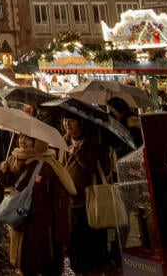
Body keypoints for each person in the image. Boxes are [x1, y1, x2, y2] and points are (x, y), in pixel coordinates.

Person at [0, 134, 76, 276]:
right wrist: (3, 171)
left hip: (44, 228)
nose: (22, 141)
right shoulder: (15, 158)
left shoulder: (49, 165)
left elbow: (61, 201)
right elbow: (9, 184)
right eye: (21, 137)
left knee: (46, 266)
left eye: (27, 139)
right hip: (23, 221)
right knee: (26, 267)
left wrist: (62, 232)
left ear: (37, 142)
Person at [62, 116, 111, 274]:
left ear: (81, 123)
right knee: (74, 245)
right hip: (70, 201)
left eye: (71, 120)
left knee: (90, 244)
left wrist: (77, 153)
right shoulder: (64, 140)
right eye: (64, 120)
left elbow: (97, 166)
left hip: (89, 201)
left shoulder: (93, 142)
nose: (67, 123)